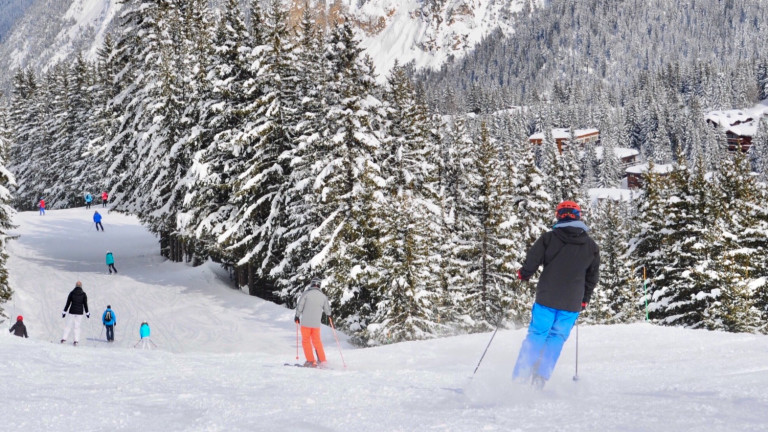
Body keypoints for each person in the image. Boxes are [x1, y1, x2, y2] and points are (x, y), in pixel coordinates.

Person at [513, 200, 600, 389]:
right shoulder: (591, 246)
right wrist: (584, 300)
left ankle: (520, 378)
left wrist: (524, 274)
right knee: (557, 337)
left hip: (547, 297)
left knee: (537, 334)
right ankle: (540, 378)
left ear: (558, 216)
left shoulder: (549, 238)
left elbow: (533, 260)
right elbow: (592, 278)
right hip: (572, 303)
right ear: (578, 217)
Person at [294, 277, 332, 368]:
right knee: (317, 341)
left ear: (312, 284)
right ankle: (322, 360)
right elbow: (327, 309)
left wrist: (297, 316)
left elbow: (300, 305)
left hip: (306, 323)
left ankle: (311, 361)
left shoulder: (306, 293)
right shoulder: (323, 296)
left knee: (306, 341)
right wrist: (329, 315)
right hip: (316, 325)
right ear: (319, 285)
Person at [61, 281, 90, 346]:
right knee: (77, 326)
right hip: (79, 312)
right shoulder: (83, 294)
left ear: (75, 286)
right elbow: (85, 304)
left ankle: (64, 338)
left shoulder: (72, 293)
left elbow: (68, 303)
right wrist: (87, 313)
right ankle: (76, 340)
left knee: (68, 325)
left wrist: (64, 312)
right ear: (81, 286)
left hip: (72, 311)